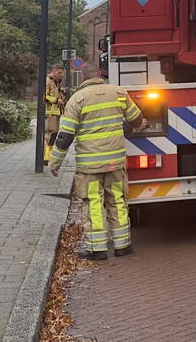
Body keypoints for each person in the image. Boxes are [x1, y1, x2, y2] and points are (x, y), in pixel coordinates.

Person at [48, 65, 145, 260]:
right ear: (100, 75)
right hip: (115, 163)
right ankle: (122, 245)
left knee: (93, 203)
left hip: (90, 166)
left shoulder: (77, 99)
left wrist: (55, 162)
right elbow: (136, 119)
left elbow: (65, 136)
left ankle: (97, 248)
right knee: (117, 200)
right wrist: (139, 125)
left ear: (83, 78)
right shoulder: (119, 93)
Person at [44, 67, 66, 152]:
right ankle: (46, 155)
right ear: (56, 72)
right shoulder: (48, 81)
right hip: (50, 112)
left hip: (56, 112)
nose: (62, 76)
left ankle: (50, 153)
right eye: (61, 74)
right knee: (50, 133)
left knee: (54, 133)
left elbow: (53, 93)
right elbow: (44, 96)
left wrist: (61, 91)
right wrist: (56, 101)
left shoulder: (56, 82)